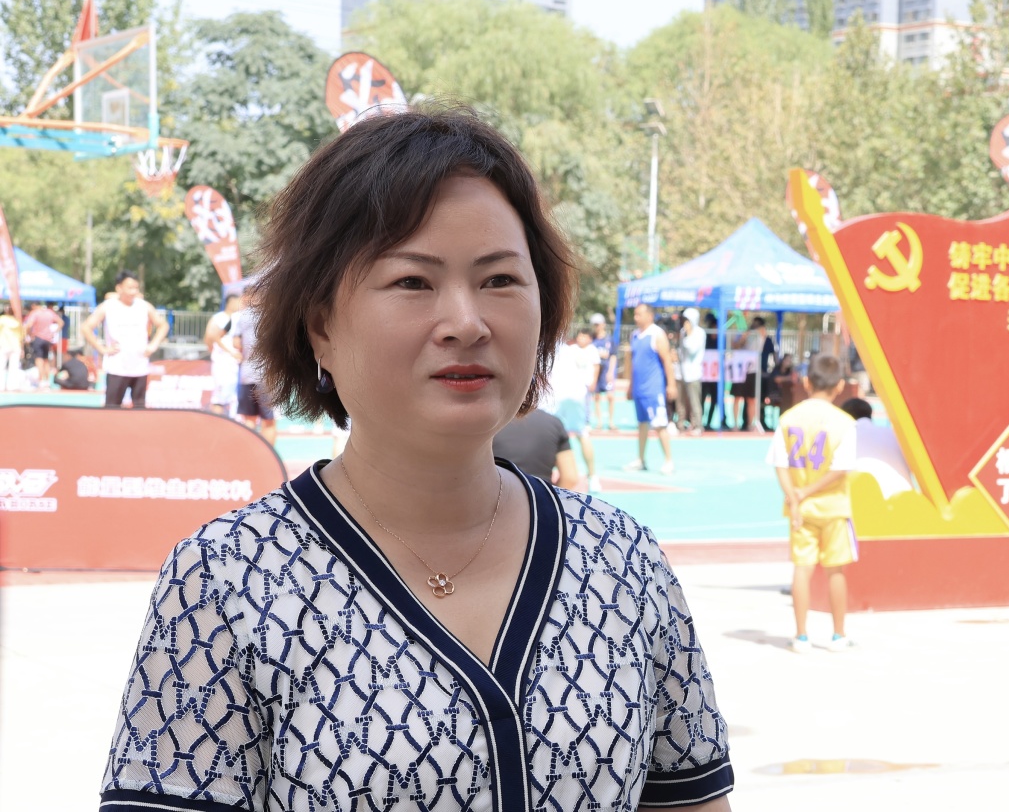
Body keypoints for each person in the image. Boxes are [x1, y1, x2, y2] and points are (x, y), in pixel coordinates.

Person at [99, 106, 733, 812]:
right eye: (412, 282)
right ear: (320, 325)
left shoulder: (623, 562)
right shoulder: (225, 582)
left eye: (500, 280)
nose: (466, 322)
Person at [767, 352, 859, 653]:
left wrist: (795, 495)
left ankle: (801, 635)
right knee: (835, 570)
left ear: (806, 382)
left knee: (801, 569)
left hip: (800, 510)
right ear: (840, 385)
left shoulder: (788, 419)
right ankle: (838, 635)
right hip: (833, 507)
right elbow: (840, 469)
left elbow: (780, 463)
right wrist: (807, 492)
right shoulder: (844, 423)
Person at [80, 270, 169, 408]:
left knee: (139, 409)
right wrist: (102, 349)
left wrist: (153, 345)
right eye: (130, 287)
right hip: (117, 367)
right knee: (112, 408)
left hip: (139, 366)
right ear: (119, 288)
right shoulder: (108, 306)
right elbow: (86, 327)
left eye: (136, 288)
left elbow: (163, 325)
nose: (133, 291)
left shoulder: (143, 306)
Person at [547, 328, 602, 492]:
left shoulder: (543, 347)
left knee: (546, 434)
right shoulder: (570, 350)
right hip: (576, 393)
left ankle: (545, 476)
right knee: (582, 434)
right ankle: (593, 477)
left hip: (555, 394)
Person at [625, 302, 677, 474]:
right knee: (642, 424)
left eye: (639, 314)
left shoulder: (657, 334)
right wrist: (630, 386)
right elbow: (634, 364)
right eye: (635, 314)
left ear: (649, 316)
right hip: (639, 389)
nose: (636, 318)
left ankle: (668, 460)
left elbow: (667, 361)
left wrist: (671, 384)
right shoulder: (635, 335)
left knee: (660, 424)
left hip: (653, 388)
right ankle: (641, 459)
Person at [229, 284, 277, 444]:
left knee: (249, 419)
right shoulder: (269, 315)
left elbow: (236, 343)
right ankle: (269, 456)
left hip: (247, 374)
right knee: (268, 421)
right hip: (265, 375)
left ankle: (250, 455)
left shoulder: (241, 316)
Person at [841, 397, 914, 497]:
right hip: (905, 497)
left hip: (866, 499)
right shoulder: (894, 434)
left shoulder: (843, 437)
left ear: (844, 416)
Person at [493, 407, 579, 488]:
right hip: (541, 494)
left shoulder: (492, 424)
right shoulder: (554, 422)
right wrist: (552, 495)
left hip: (500, 493)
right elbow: (570, 478)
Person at [730, 316, 776, 432]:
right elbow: (735, 345)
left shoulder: (761, 334)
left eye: (757, 324)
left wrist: (755, 330)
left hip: (753, 370)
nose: (754, 325)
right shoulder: (744, 334)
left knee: (752, 399)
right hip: (740, 370)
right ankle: (735, 424)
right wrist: (745, 335)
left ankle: (751, 424)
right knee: (737, 397)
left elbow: (763, 333)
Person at [204, 293, 244, 415]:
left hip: (237, 364)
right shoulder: (218, 318)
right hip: (222, 364)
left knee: (234, 398)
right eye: (238, 302)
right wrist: (227, 352)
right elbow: (209, 338)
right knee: (220, 398)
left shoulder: (238, 318)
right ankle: (217, 422)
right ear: (231, 303)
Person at [677, 307, 706, 435]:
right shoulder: (683, 331)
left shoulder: (699, 332)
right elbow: (681, 351)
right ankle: (680, 424)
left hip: (694, 372)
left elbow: (692, 349)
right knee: (681, 401)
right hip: (682, 371)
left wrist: (689, 333)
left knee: (694, 401)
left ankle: (697, 425)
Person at [22, 300, 63, 389]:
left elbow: (28, 325)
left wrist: (29, 335)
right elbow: (61, 322)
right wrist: (54, 332)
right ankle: (47, 380)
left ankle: (41, 380)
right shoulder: (49, 312)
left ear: (33, 305)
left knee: (39, 359)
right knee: (46, 360)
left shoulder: (35, 313)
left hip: (38, 338)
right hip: (47, 339)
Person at [589, 312, 618, 430]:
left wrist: (611, 371)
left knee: (610, 396)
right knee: (596, 396)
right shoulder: (592, 339)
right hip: (596, 371)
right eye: (595, 325)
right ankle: (599, 422)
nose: (596, 327)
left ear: (603, 324)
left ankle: (611, 422)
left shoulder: (609, 339)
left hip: (606, 371)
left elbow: (613, 356)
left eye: (598, 324)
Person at [702, 312, 721, 429]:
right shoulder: (704, 337)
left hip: (715, 374)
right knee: (702, 398)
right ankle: (700, 421)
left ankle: (708, 422)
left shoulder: (720, 339)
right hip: (705, 374)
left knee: (714, 399)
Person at [0, 307, 22, 390]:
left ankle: (1, 386)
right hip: (15, 346)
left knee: (1, 366)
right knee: (14, 367)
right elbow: (21, 336)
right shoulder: (17, 321)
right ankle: (12, 386)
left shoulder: (2, 320)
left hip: (4, 345)